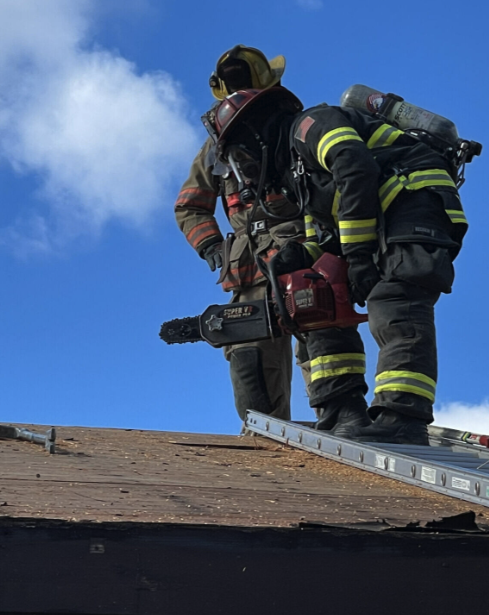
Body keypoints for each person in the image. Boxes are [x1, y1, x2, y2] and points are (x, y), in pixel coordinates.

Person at [200, 84, 468, 445]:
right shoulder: (295, 171)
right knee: (315, 295)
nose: (245, 171)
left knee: (395, 303)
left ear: (255, 135)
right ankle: (342, 409)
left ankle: (402, 416)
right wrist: (301, 257)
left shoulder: (311, 125)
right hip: (378, 220)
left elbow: (354, 167)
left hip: (415, 200)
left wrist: (357, 254)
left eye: (242, 157)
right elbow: (322, 230)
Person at [174, 45, 308, 422]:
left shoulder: (295, 128)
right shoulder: (218, 145)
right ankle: (267, 439)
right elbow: (190, 205)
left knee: (323, 346)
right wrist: (212, 246)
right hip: (253, 268)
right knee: (250, 356)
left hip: (302, 256)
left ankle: (336, 423)